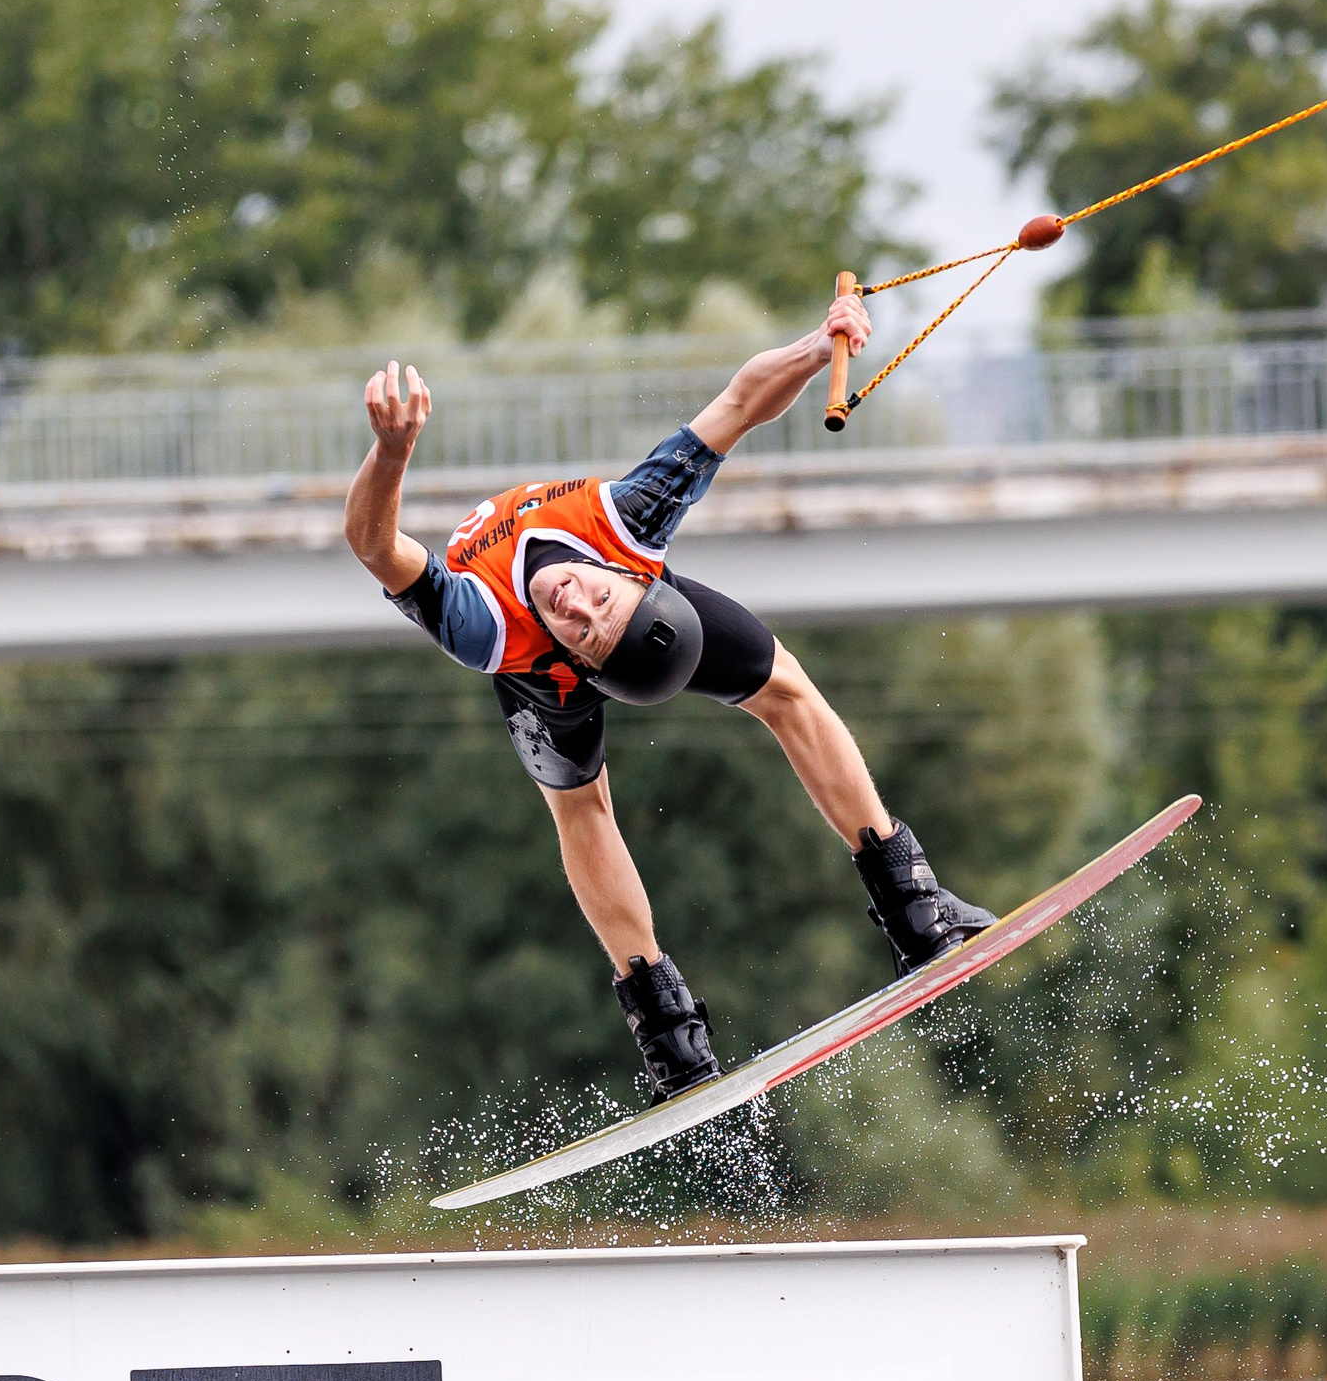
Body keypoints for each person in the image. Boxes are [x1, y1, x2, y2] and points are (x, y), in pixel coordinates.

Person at [341, 289, 994, 1102]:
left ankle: (914, 912)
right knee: (589, 799)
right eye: (589, 615)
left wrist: (815, 342)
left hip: (590, 635)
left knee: (774, 696)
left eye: (588, 622)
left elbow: (373, 543)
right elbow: (740, 403)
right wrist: (392, 454)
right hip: (548, 674)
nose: (575, 607)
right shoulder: (570, 565)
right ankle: (669, 1034)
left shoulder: (556, 584)